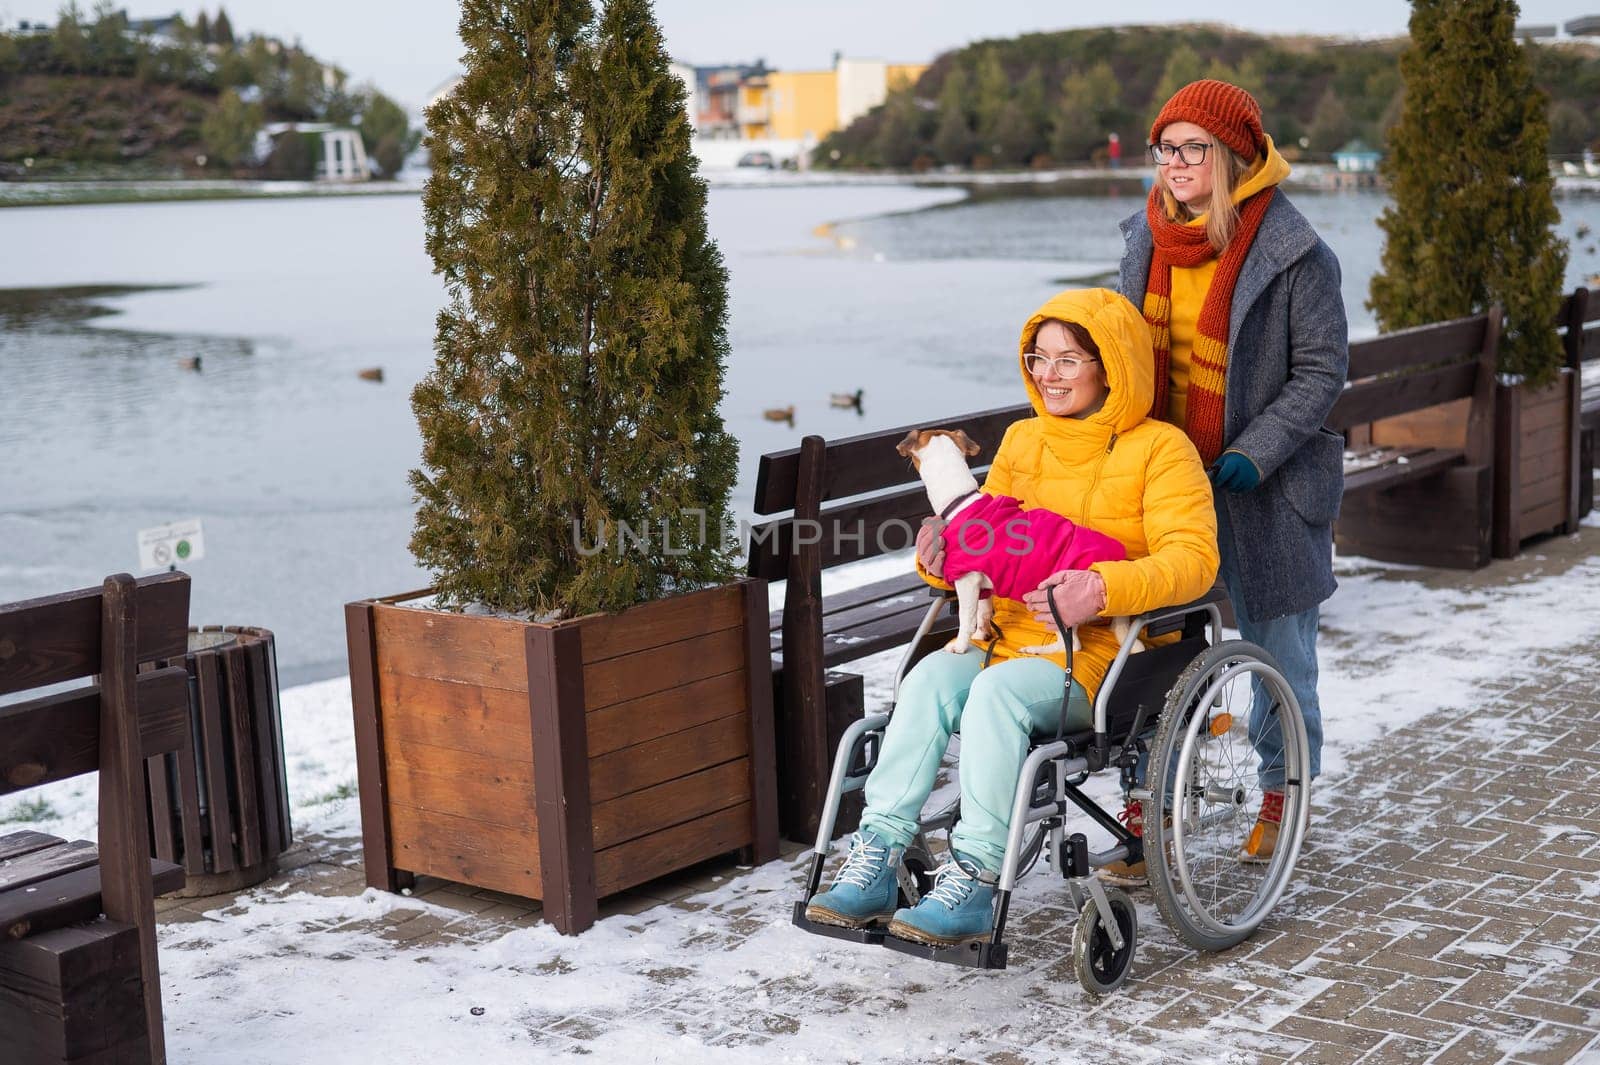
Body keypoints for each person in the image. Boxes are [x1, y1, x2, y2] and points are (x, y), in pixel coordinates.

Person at [803, 288, 1219, 947]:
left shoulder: (1160, 450)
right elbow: (990, 545)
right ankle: (878, 853)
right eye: (1038, 357)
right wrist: (939, 562)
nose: (1048, 374)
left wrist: (1101, 587)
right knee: (931, 682)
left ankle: (973, 874)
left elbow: (1195, 561)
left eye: (1068, 359)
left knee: (993, 695)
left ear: (1109, 364)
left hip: (1103, 658)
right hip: (1006, 636)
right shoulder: (1025, 440)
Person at [1110, 79, 1348, 883]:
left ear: (1232, 154)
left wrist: (1255, 449)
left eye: (1193, 148)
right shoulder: (1145, 239)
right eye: (1166, 147)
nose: (1176, 163)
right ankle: (1149, 802)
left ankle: (1283, 793)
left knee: (1279, 651)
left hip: (1264, 483)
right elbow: (1124, 353)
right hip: (1166, 484)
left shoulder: (1295, 251)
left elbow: (1320, 372)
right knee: (1154, 647)